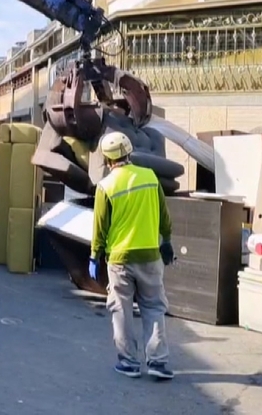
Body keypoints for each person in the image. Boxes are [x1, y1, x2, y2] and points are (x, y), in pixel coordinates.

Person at [88, 131, 175, 380]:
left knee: (121, 309)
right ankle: (158, 361)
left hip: (120, 259)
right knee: (154, 307)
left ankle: (128, 362)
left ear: (107, 159)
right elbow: (164, 215)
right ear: (129, 152)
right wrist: (166, 241)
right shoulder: (150, 177)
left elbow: (100, 226)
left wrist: (95, 255)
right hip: (150, 255)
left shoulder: (106, 186)